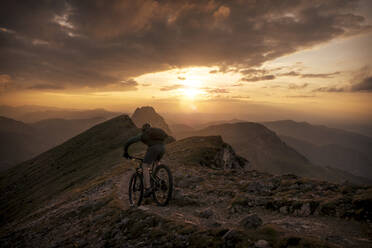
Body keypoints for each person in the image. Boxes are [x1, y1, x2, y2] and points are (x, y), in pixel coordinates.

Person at [123, 123, 168, 197]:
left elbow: (130, 141)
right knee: (156, 163)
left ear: (143, 130)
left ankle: (148, 188)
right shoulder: (156, 132)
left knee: (144, 166)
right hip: (162, 148)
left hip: (153, 149)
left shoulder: (143, 134)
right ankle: (160, 181)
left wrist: (125, 151)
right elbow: (166, 136)